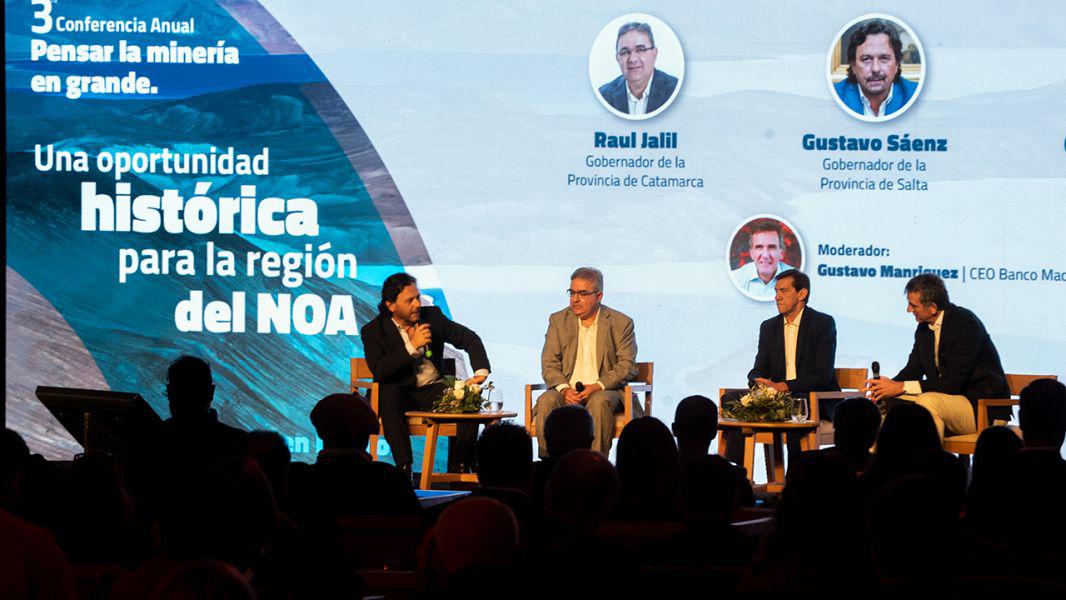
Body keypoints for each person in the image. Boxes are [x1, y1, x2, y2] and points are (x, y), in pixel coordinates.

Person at [360, 272, 491, 474]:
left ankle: (460, 467)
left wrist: (480, 372)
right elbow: (380, 370)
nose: (417, 304)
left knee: (466, 398)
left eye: (418, 297)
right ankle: (404, 467)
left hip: (432, 389)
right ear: (391, 305)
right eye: (409, 300)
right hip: (398, 391)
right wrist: (412, 346)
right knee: (389, 393)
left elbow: (469, 338)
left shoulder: (432, 317)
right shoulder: (374, 330)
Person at [863, 274, 1009, 440]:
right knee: (887, 402)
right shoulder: (924, 328)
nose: (908, 310)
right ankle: (875, 456)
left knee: (928, 402)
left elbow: (953, 383)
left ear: (932, 307)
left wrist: (900, 386)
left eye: (913, 305)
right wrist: (886, 388)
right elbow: (913, 370)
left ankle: (930, 456)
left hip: (982, 407)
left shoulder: (965, 324)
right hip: (948, 400)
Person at [722, 270, 838, 464]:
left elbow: (822, 376)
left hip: (811, 397)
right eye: (776, 291)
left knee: (795, 405)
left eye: (783, 291)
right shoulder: (769, 327)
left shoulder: (822, 324)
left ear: (802, 294)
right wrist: (758, 382)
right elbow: (759, 368)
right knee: (730, 399)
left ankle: (794, 476)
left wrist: (783, 386)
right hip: (778, 398)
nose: (777, 297)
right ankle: (736, 470)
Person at [534, 267, 638, 456]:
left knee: (598, 401)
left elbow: (627, 366)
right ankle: (549, 463)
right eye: (572, 292)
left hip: (606, 391)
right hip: (568, 391)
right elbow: (549, 363)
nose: (575, 299)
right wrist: (564, 389)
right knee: (547, 399)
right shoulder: (558, 320)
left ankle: (595, 462)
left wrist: (597, 386)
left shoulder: (621, 322)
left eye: (582, 294)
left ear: (599, 296)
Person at [833, 19, 919, 119]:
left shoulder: (916, 95)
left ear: (896, 64)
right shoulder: (834, 97)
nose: (876, 69)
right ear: (853, 66)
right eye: (866, 59)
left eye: (884, 58)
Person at [598, 21, 679, 116]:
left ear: (654, 53)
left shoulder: (675, 90)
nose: (632, 59)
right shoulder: (604, 95)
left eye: (640, 50)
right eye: (624, 52)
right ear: (617, 59)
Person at [730, 221, 796, 299]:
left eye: (771, 247)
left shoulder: (797, 280)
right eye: (759, 247)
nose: (765, 255)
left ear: (782, 253)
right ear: (751, 253)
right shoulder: (735, 279)